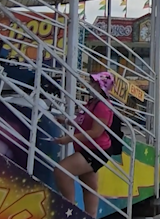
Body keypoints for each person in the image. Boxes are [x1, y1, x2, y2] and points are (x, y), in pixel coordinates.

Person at [53, 71, 115, 216]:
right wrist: (65, 120)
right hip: (88, 148)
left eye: (93, 82)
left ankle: (70, 210)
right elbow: (82, 122)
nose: (90, 85)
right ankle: (89, 215)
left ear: (101, 86)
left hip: (96, 150)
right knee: (89, 187)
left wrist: (68, 139)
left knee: (61, 171)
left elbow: (95, 132)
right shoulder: (92, 103)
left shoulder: (102, 106)